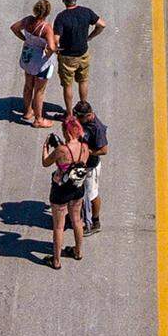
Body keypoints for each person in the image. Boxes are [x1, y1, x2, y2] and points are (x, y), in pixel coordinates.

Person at [42, 114, 90, 269]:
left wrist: (45, 147)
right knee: (77, 220)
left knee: (58, 226)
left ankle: (56, 260)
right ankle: (77, 251)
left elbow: (45, 162)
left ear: (67, 132)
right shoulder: (84, 147)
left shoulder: (62, 150)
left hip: (61, 190)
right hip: (77, 187)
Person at [54, 0, 105, 112]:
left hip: (67, 56)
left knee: (68, 85)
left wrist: (56, 49)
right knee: (83, 80)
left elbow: (56, 39)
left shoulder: (61, 17)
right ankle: (83, 107)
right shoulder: (86, 12)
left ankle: (70, 113)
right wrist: (90, 36)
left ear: (63, 0)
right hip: (83, 53)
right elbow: (102, 24)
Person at [12, 0, 58, 127]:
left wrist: (25, 39)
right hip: (41, 62)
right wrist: (51, 52)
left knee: (28, 85)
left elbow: (14, 28)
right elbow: (52, 47)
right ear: (47, 12)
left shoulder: (27, 21)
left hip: (28, 56)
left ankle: (27, 111)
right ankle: (38, 119)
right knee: (39, 91)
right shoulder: (46, 28)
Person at [73, 98, 108, 234]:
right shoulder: (83, 121)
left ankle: (95, 221)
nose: (78, 119)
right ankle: (78, 215)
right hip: (80, 163)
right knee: (78, 190)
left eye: (80, 117)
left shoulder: (97, 129)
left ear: (89, 115)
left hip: (91, 166)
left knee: (91, 194)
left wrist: (88, 151)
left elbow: (104, 150)